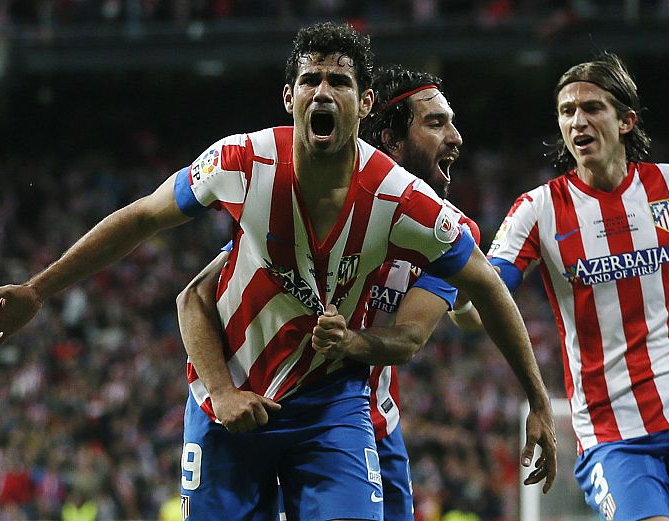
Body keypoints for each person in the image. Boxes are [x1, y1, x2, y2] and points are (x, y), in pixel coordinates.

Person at [0, 22, 554, 520]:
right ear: (290, 97)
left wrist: (537, 401)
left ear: (363, 103)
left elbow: (486, 288)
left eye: (339, 81)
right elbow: (143, 223)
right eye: (310, 79)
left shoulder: (403, 205)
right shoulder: (243, 164)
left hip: (330, 403)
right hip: (229, 399)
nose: (323, 91)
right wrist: (38, 289)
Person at [176, 65, 556, 521]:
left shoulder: (446, 235)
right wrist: (220, 389)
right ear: (391, 139)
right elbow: (197, 294)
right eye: (435, 123)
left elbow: (411, 338)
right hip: (272, 412)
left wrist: (351, 342)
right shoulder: (315, 207)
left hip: (369, 426)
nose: (455, 137)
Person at [487, 51, 669, 521]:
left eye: (592, 108)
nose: (577, 120)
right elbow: (487, 293)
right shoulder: (537, 210)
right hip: (612, 434)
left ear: (626, 120)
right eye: (566, 111)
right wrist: (452, 294)